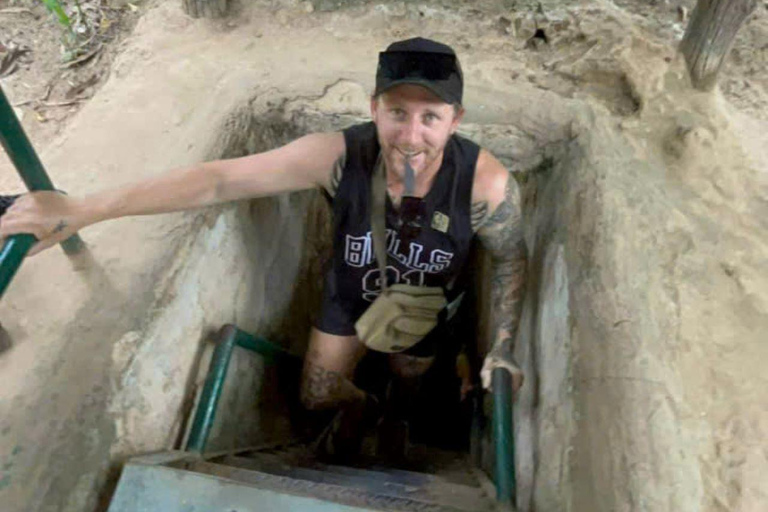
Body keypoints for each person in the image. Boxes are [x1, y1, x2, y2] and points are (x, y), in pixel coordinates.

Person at [0, 38, 527, 456]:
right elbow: (218, 181)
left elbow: (507, 257)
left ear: (455, 121)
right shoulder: (339, 157)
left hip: (424, 305)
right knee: (318, 394)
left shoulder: (485, 185)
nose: (411, 136)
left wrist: (501, 347)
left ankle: (399, 417)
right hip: (349, 292)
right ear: (374, 109)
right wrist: (87, 207)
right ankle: (364, 410)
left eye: (430, 117)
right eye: (397, 113)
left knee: (409, 376)